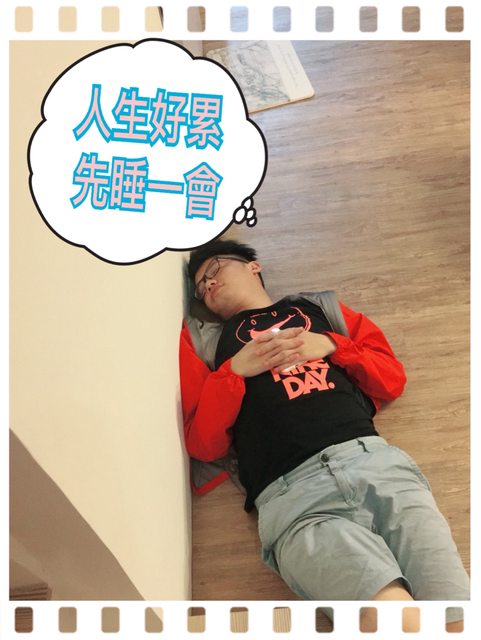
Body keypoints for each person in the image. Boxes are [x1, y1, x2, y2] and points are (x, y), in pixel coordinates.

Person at [179, 239, 469, 632]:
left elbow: (391, 378)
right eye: (200, 287)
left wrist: (332, 345)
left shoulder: (319, 310)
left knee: (455, 617)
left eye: (214, 269)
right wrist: (234, 371)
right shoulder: (205, 343)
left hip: (375, 463)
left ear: (253, 266)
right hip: (295, 496)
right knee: (389, 618)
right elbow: (203, 443)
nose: (208, 285)